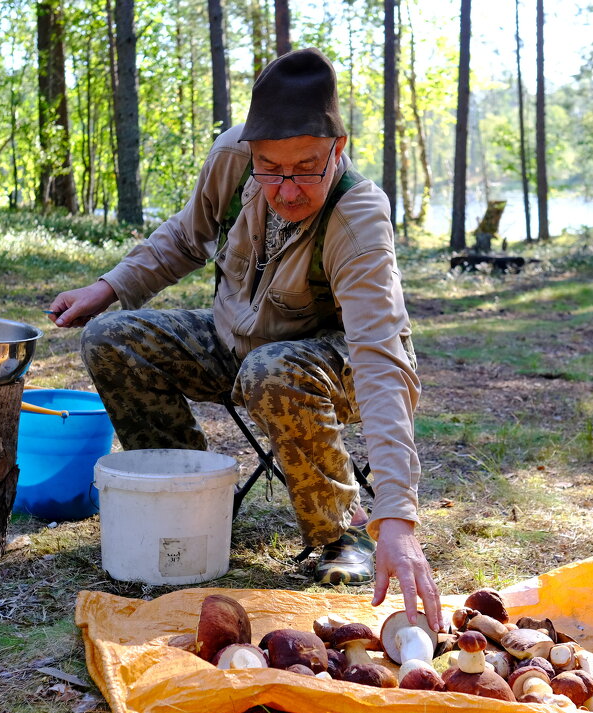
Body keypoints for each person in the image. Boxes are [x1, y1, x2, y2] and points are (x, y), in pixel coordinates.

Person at [46, 47, 441, 630]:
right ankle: (194, 497)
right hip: (236, 343)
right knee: (112, 338)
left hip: (335, 368)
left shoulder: (358, 219)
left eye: (306, 167)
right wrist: (108, 288)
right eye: (270, 167)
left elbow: (381, 362)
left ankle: (336, 535)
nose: (284, 188)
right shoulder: (233, 158)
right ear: (250, 150)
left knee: (273, 370)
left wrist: (398, 521)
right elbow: (186, 236)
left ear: (339, 148)